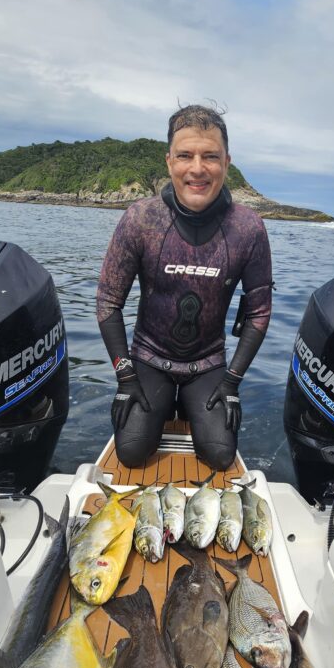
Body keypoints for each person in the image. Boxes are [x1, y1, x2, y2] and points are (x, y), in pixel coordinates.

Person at [96, 104, 272, 470]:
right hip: (148, 359)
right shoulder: (141, 218)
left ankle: (189, 404)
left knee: (220, 456)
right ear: (168, 161)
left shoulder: (248, 228)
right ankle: (163, 403)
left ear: (226, 161)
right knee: (130, 453)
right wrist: (125, 377)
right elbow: (108, 302)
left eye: (210, 156)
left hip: (207, 364)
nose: (197, 168)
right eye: (185, 156)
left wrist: (232, 383)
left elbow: (258, 312)